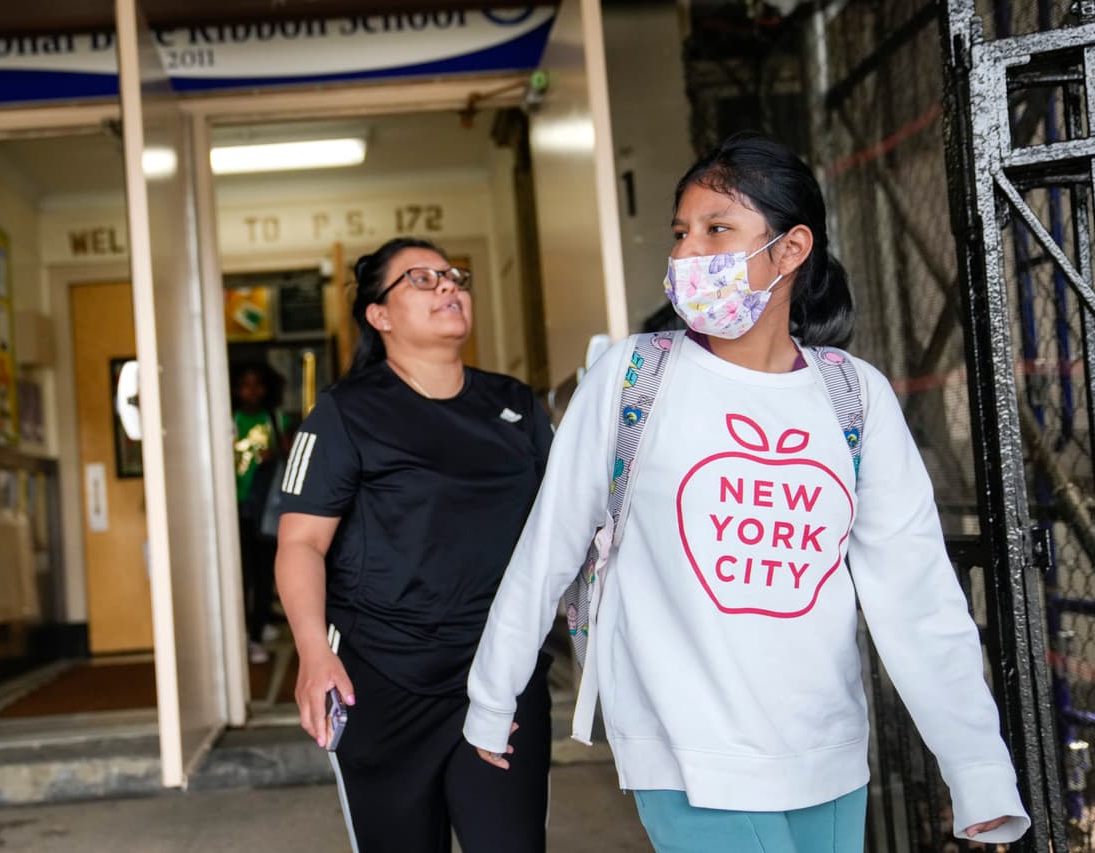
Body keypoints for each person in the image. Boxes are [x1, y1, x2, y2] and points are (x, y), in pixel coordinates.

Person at [463, 133, 1031, 852]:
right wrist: (493, 691)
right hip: (686, 746)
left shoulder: (853, 396)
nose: (687, 253)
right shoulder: (634, 376)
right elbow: (550, 543)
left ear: (791, 249)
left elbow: (916, 594)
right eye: (681, 232)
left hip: (826, 748)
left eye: (717, 229)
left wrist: (976, 766)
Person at [274, 237, 554, 853]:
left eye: (454, 276)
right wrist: (314, 653)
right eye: (421, 280)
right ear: (379, 315)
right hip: (381, 681)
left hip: (501, 674)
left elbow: (563, 530)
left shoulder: (513, 405)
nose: (449, 286)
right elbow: (301, 545)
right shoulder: (345, 415)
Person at [232, 361, 290, 664]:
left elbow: (287, 457)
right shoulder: (230, 419)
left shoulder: (273, 418)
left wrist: (276, 454)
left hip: (266, 511)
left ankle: (256, 634)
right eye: (245, 384)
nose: (251, 391)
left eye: (257, 384)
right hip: (235, 512)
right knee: (241, 577)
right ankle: (244, 632)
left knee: (264, 575)